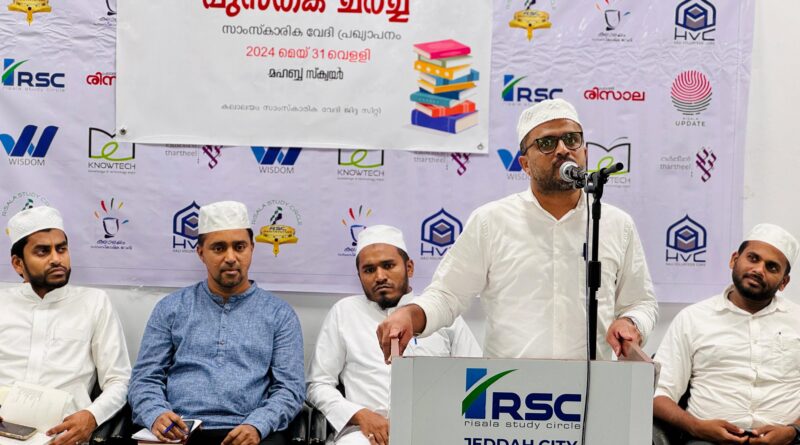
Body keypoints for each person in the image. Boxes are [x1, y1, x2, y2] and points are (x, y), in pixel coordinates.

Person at [377, 98, 658, 362]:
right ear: (525, 164)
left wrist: (631, 322)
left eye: (572, 139)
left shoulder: (615, 224)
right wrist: (410, 314)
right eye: (547, 143)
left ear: (585, 152)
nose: (563, 149)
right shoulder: (491, 221)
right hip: (508, 389)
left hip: (592, 388)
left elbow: (641, 302)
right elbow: (447, 295)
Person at [128, 201, 304, 445]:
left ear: (252, 249)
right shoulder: (171, 308)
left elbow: (290, 389)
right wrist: (157, 414)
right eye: (219, 248)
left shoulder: (279, 314)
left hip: (249, 433)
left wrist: (257, 425)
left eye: (239, 247)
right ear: (201, 253)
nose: (230, 258)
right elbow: (145, 379)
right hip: (179, 431)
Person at [307, 225, 481, 445]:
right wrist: (360, 415)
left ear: (409, 268)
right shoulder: (344, 312)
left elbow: (477, 377)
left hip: (435, 430)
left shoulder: (440, 314)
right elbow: (317, 384)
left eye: (388, 266)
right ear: (359, 275)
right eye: (369, 270)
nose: (380, 276)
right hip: (364, 433)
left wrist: (447, 420)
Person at [653, 223, 800, 445]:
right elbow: (659, 393)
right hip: (706, 441)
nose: (759, 270)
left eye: (771, 267)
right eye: (753, 258)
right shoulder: (693, 318)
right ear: (734, 260)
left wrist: (793, 431)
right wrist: (696, 426)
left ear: (784, 282)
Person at [0, 206, 131, 445]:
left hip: (64, 436)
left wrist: (91, 416)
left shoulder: (94, 303)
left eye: (61, 249)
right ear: (18, 264)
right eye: (43, 251)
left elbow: (120, 380)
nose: (56, 259)